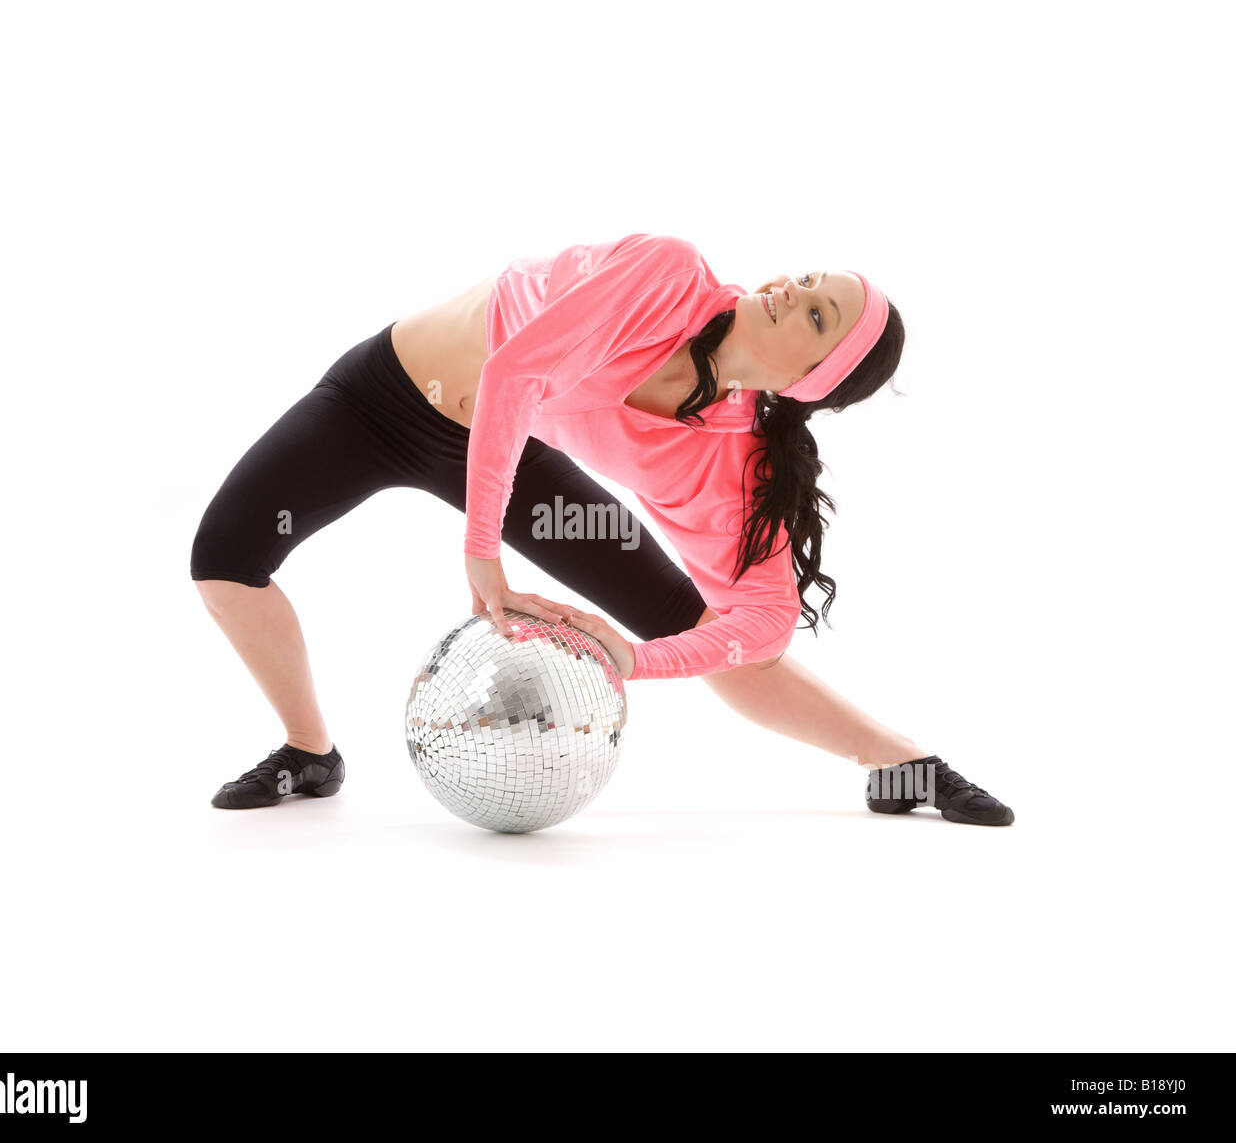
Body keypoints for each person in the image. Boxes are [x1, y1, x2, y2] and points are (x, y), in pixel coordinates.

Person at [190, 233, 1014, 825]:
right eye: (807, 278)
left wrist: (637, 657)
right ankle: (311, 751)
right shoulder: (669, 273)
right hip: (385, 399)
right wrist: (482, 550)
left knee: (689, 623)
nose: (794, 289)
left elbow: (757, 625)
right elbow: (514, 369)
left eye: (820, 314)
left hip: (515, 459)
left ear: (812, 379)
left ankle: (898, 760)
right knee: (224, 559)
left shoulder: (730, 454)